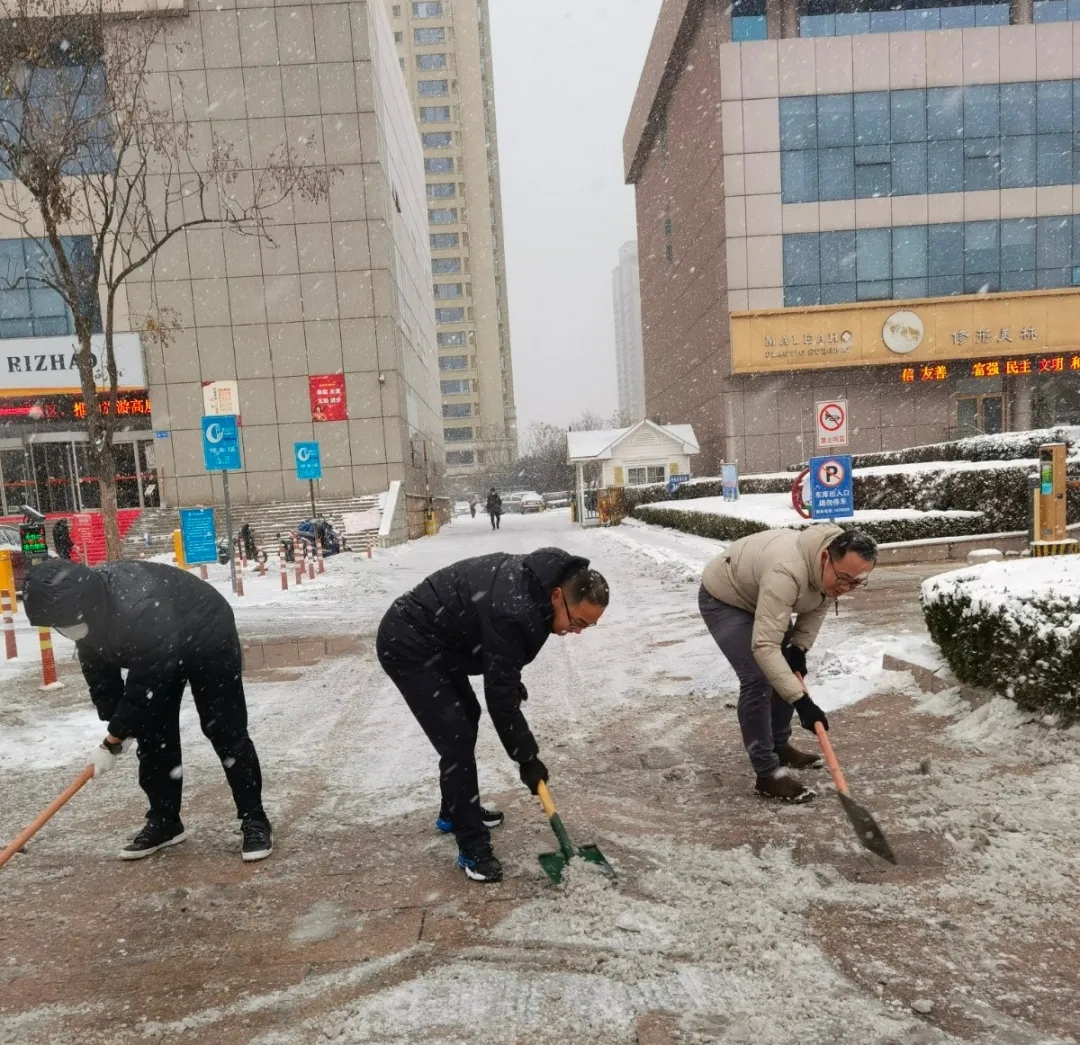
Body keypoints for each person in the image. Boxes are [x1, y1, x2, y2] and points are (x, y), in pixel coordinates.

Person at [377, 547, 609, 883]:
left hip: (442, 640)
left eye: (588, 626)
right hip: (409, 641)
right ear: (558, 596)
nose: (577, 631)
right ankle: (472, 846)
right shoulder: (517, 610)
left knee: (466, 715)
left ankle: (456, 810)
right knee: (455, 736)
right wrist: (528, 760)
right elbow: (500, 701)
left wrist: (508, 678)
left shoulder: (540, 587)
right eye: (577, 622)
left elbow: (500, 654)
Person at [23, 559, 273, 862]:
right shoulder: (83, 614)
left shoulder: (139, 606)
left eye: (65, 624)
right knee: (153, 734)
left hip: (208, 635)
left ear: (88, 607)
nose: (64, 631)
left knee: (224, 728)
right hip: (159, 649)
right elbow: (100, 675)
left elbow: (145, 684)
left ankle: (255, 819)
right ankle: (165, 822)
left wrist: (113, 740)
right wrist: (117, 723)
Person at [698, 526, 878, 803]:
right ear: (824, 558)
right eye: (842, 579)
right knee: (759, 677)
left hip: (763, 594)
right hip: (726, 597)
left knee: (785, 667)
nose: (845, 588)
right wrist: (801, 702)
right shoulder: (787, 571)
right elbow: (765, 647)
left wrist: (799, 648)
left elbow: (818, 604)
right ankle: (769, 774)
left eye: (855, 583)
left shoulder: (838, 569)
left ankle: (779, 745)